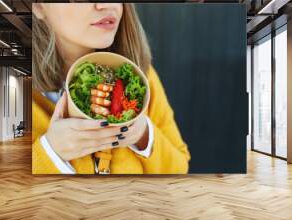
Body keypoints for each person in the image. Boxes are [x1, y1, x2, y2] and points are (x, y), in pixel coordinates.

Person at [32, 3, 190, 174]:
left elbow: (180, 168)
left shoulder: (141, 76)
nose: (106, 4)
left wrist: (144, 135)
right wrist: (51, 152)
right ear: (38, 6)